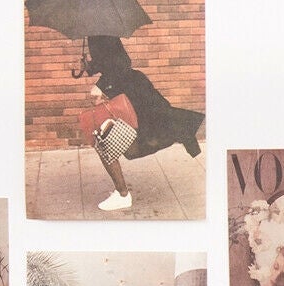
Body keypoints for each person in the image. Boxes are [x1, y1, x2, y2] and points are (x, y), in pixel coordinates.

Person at [81, 36, 204, 213]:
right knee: (141, 136)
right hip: (130, 86)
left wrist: (101, 85)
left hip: (131, 91)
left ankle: (123, 195)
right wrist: (90, 67)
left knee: (105, 141)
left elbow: (120, 63)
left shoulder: (99, 30)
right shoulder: (98, 30)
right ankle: (182, 131)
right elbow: (111, 60)